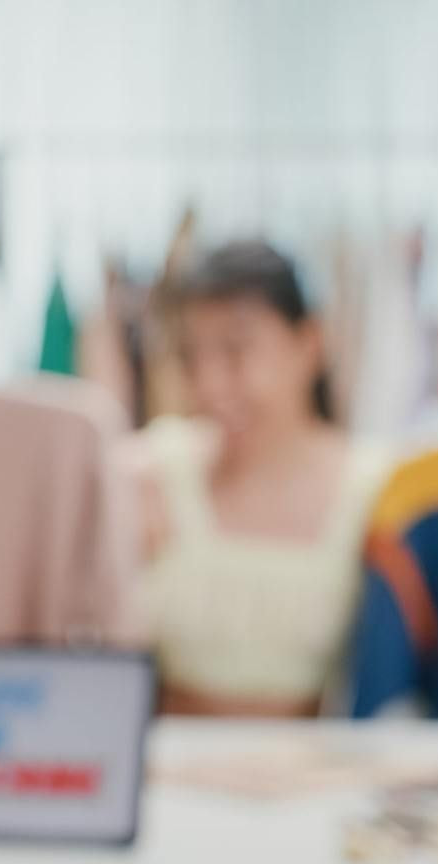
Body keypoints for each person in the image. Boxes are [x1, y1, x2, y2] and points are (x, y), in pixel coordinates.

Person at [132, 240, 389, 717]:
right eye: (191, 357)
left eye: (236, 351)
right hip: (171, 783)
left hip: (321, 786)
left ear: (309, 343)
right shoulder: (149, 473)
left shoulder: (376, 489)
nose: (209, 386)